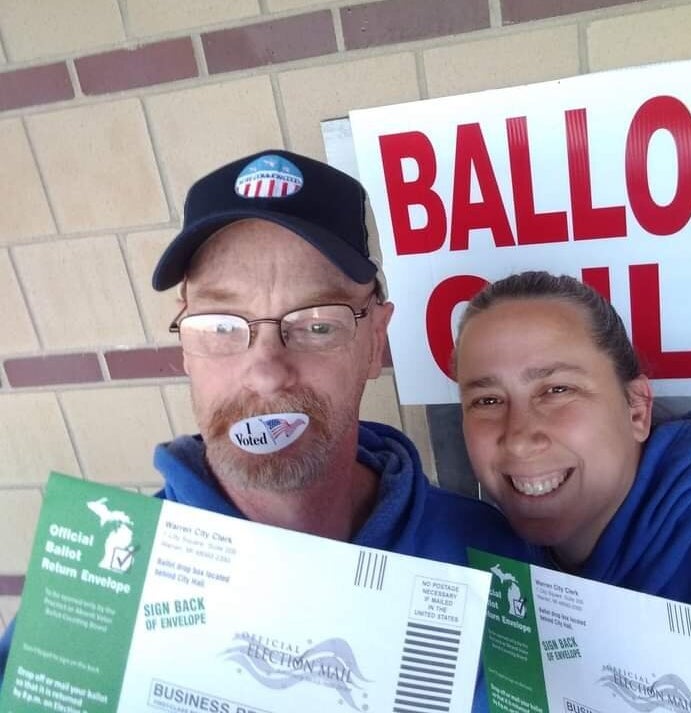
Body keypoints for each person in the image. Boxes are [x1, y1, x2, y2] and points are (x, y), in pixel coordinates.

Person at [0, 150, 531, 709]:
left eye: (317, 324)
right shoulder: (97, 589)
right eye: (220, 325)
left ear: (376, 341)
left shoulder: (491, 559)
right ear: (184, 342)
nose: (265, 372)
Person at [454, 270, 691, 610]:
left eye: (557, 390)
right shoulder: (481, 558)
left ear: (637, 410)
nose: (519, 440)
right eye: (487, 400)